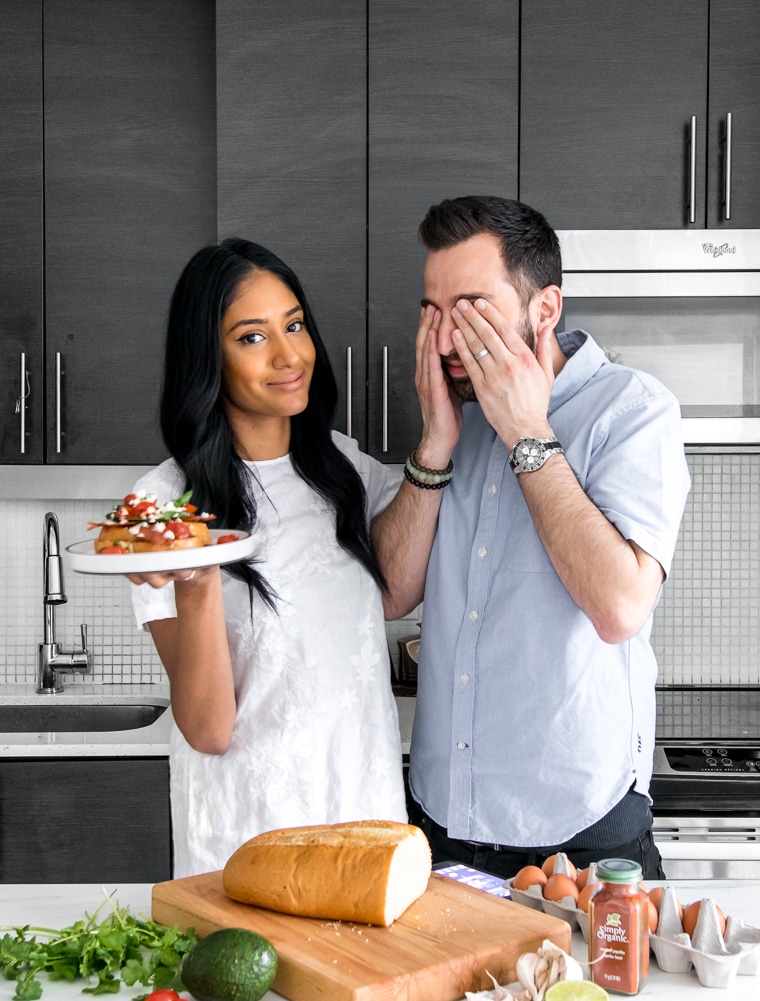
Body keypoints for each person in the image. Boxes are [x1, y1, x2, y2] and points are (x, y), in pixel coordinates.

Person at [372, 196, 691, 880]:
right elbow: (392, 595)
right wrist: (433, 443)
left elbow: (620, 608)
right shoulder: (455, 421)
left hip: (581, 838)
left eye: (471, 309)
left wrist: (527, 435)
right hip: (441, 826)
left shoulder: (632, 411)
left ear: (543, 310)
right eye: (434, 311)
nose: (448, 340)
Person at [127, 237, 407, 877]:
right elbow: (208, 730)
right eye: (252, 337)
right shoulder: (161, 507)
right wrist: (197, 575)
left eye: (295, 326)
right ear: (208, 358)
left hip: (364, 830)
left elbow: (407, 583)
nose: (289, 355)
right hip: (244, 844)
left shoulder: (347, 472)